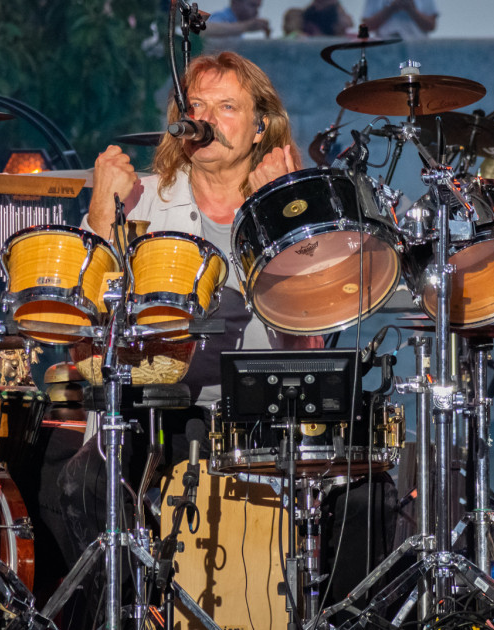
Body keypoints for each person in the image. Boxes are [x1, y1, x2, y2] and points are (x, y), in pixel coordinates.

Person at [55, 51, 399, 619]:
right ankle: (127, 615)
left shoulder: (292, 200)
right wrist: (99, 215)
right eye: (196, 106)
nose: (206, 119)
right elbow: (83, 320)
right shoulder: (141, 198)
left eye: (226, 107)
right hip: (158, 411)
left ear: (262, 126)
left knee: (370, 494)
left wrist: (288, 219)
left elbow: (311, 338)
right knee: (83, 481)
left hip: (269, 416)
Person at [361, 0, 437, 39]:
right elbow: (367, 26)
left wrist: (411, 9)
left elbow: (431, 25)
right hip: (386, 51)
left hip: (416, 50)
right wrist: (391, 8)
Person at [203, 0, 271, 38]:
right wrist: (247, 26)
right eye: (252, 5)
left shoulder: (237, 24)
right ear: (235, 2)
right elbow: (205, 30)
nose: (256, 11)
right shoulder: (222, 16)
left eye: (258, 7)